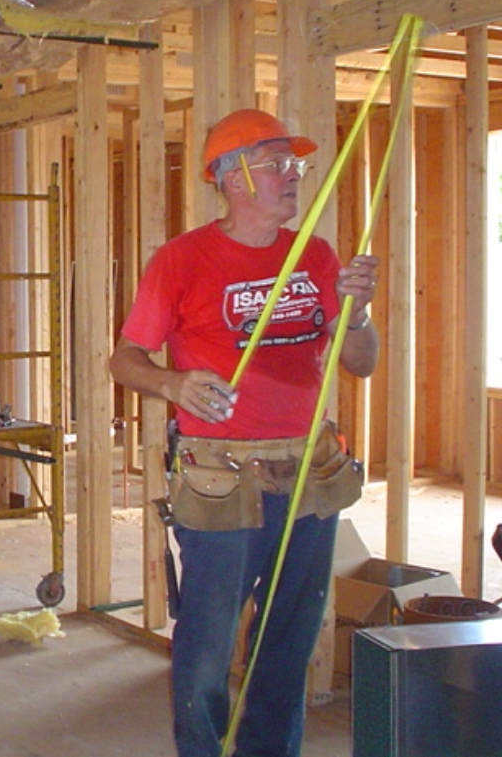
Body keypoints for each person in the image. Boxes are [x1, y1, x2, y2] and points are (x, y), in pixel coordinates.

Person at [109, 109, 380, 757]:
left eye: (296, 164)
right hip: (220, 473)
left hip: (306, 473)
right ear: (232, 178)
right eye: (277, 163)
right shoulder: (182, 260)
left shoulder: (314, 254)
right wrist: (175, 385)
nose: (294, 176)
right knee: (207, 642)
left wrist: (360, 310)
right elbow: (124, 360)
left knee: (288, 640)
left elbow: (361, 359)